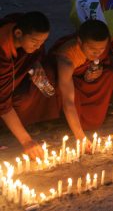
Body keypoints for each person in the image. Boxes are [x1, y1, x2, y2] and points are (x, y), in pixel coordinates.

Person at [0, 12, 59, 158]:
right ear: (19, 33)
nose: (39, 46)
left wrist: (36, 62)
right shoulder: (2, 51)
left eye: (42, 42)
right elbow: (2, 102)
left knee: (48, 74)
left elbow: (37, 53)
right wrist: (27, 141)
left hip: (13, 78)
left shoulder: (17, 22)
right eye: (35, 41)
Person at [49, 20, 113, 143]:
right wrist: (80, 137)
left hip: (85, 80)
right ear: (80, 41)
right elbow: (68, 101)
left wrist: (99, 69)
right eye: (92, 49)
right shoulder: (67, 59)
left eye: (101, 49)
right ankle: (66, 121)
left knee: (110, 74)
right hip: (70, 86)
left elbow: (105, 61)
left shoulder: (102, 47)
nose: (97, 53)